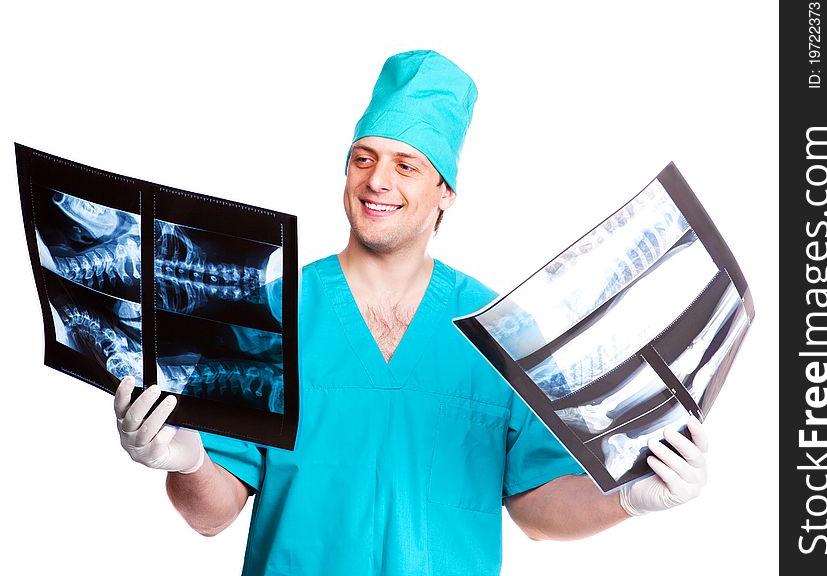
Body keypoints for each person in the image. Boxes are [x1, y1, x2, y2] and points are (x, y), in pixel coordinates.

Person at [114, 50, 709, 576]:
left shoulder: (498, 328)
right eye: (363, 158)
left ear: (444, 190)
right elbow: (210, 514)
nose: (377, 181)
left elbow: (534, 508)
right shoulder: (272, 311)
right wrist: (185, 459)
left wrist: (629, 500)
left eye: (406, 165)